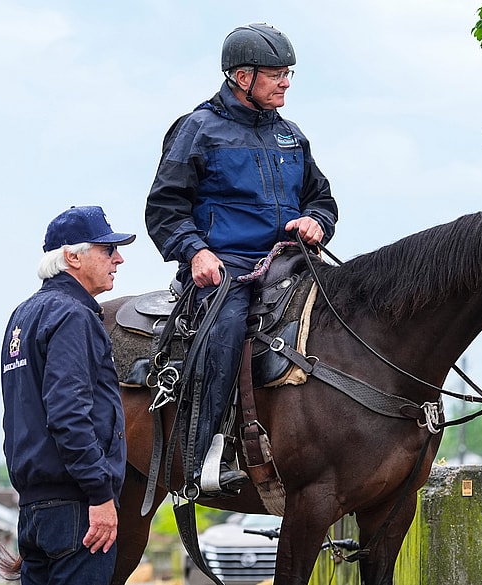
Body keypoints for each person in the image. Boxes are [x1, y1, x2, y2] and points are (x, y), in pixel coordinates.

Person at [145, 23, 338, 494]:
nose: (286, 83)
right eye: (276, 74)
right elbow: (164, 209)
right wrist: (196, 252)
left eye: (288, 73)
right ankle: (204, 458)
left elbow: (321, 199)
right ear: (242, 77)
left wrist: (316, 221)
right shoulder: (197, 129)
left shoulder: (291, 135)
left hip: (290, 260)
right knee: (227, 329)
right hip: (224, 267)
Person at [0, 205, 135, 584]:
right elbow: (68, 414)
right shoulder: (73, 315)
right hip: (78, 510)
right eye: (108, 250)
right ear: (73, 257)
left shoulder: (22, 316)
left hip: (33, 513)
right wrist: (100, 494)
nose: (119, 259)